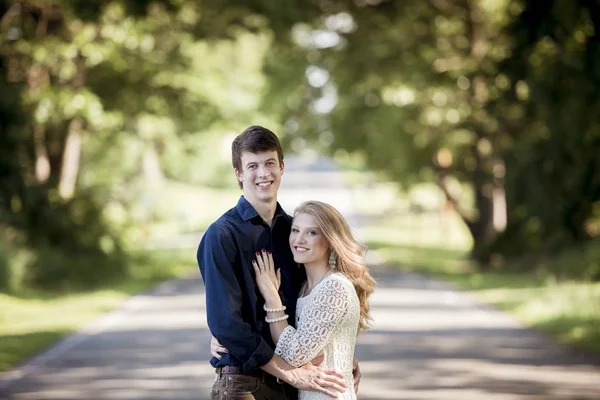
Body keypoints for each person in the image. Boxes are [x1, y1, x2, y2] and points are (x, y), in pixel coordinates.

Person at [197, 126, 358, 400]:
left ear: (282, 166)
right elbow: (226, 324)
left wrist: (340, 357)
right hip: (244, 382)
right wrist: (286, 371)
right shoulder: (222, 235)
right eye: (252, 166)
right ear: (238, 173)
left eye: (270, 163)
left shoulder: (293, 233)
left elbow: (317, 304)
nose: (263, 173)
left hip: (295, 384)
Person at [252, 200, 376, 400]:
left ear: (330, 240)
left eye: (311, 233)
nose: (299, 240)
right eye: (295, 230)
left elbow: (293, 355)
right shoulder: (305, 288)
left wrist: (271, 296)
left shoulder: (334, 287)